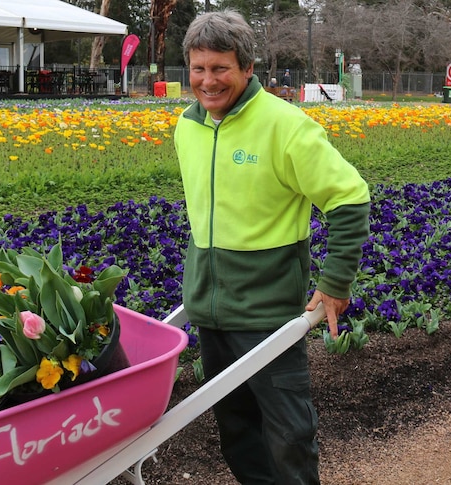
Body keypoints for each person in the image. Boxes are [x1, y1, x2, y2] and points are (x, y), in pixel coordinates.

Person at [175, 10, 370, 485]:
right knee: (237, 431)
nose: (208, 80)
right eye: (198, 68)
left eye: (220, 68)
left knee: (289, 435)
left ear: (246, 67)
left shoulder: (286, 126)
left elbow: (348, 198)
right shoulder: (187, 126)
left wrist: (335, 281)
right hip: (210, 311)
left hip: (266, 314)